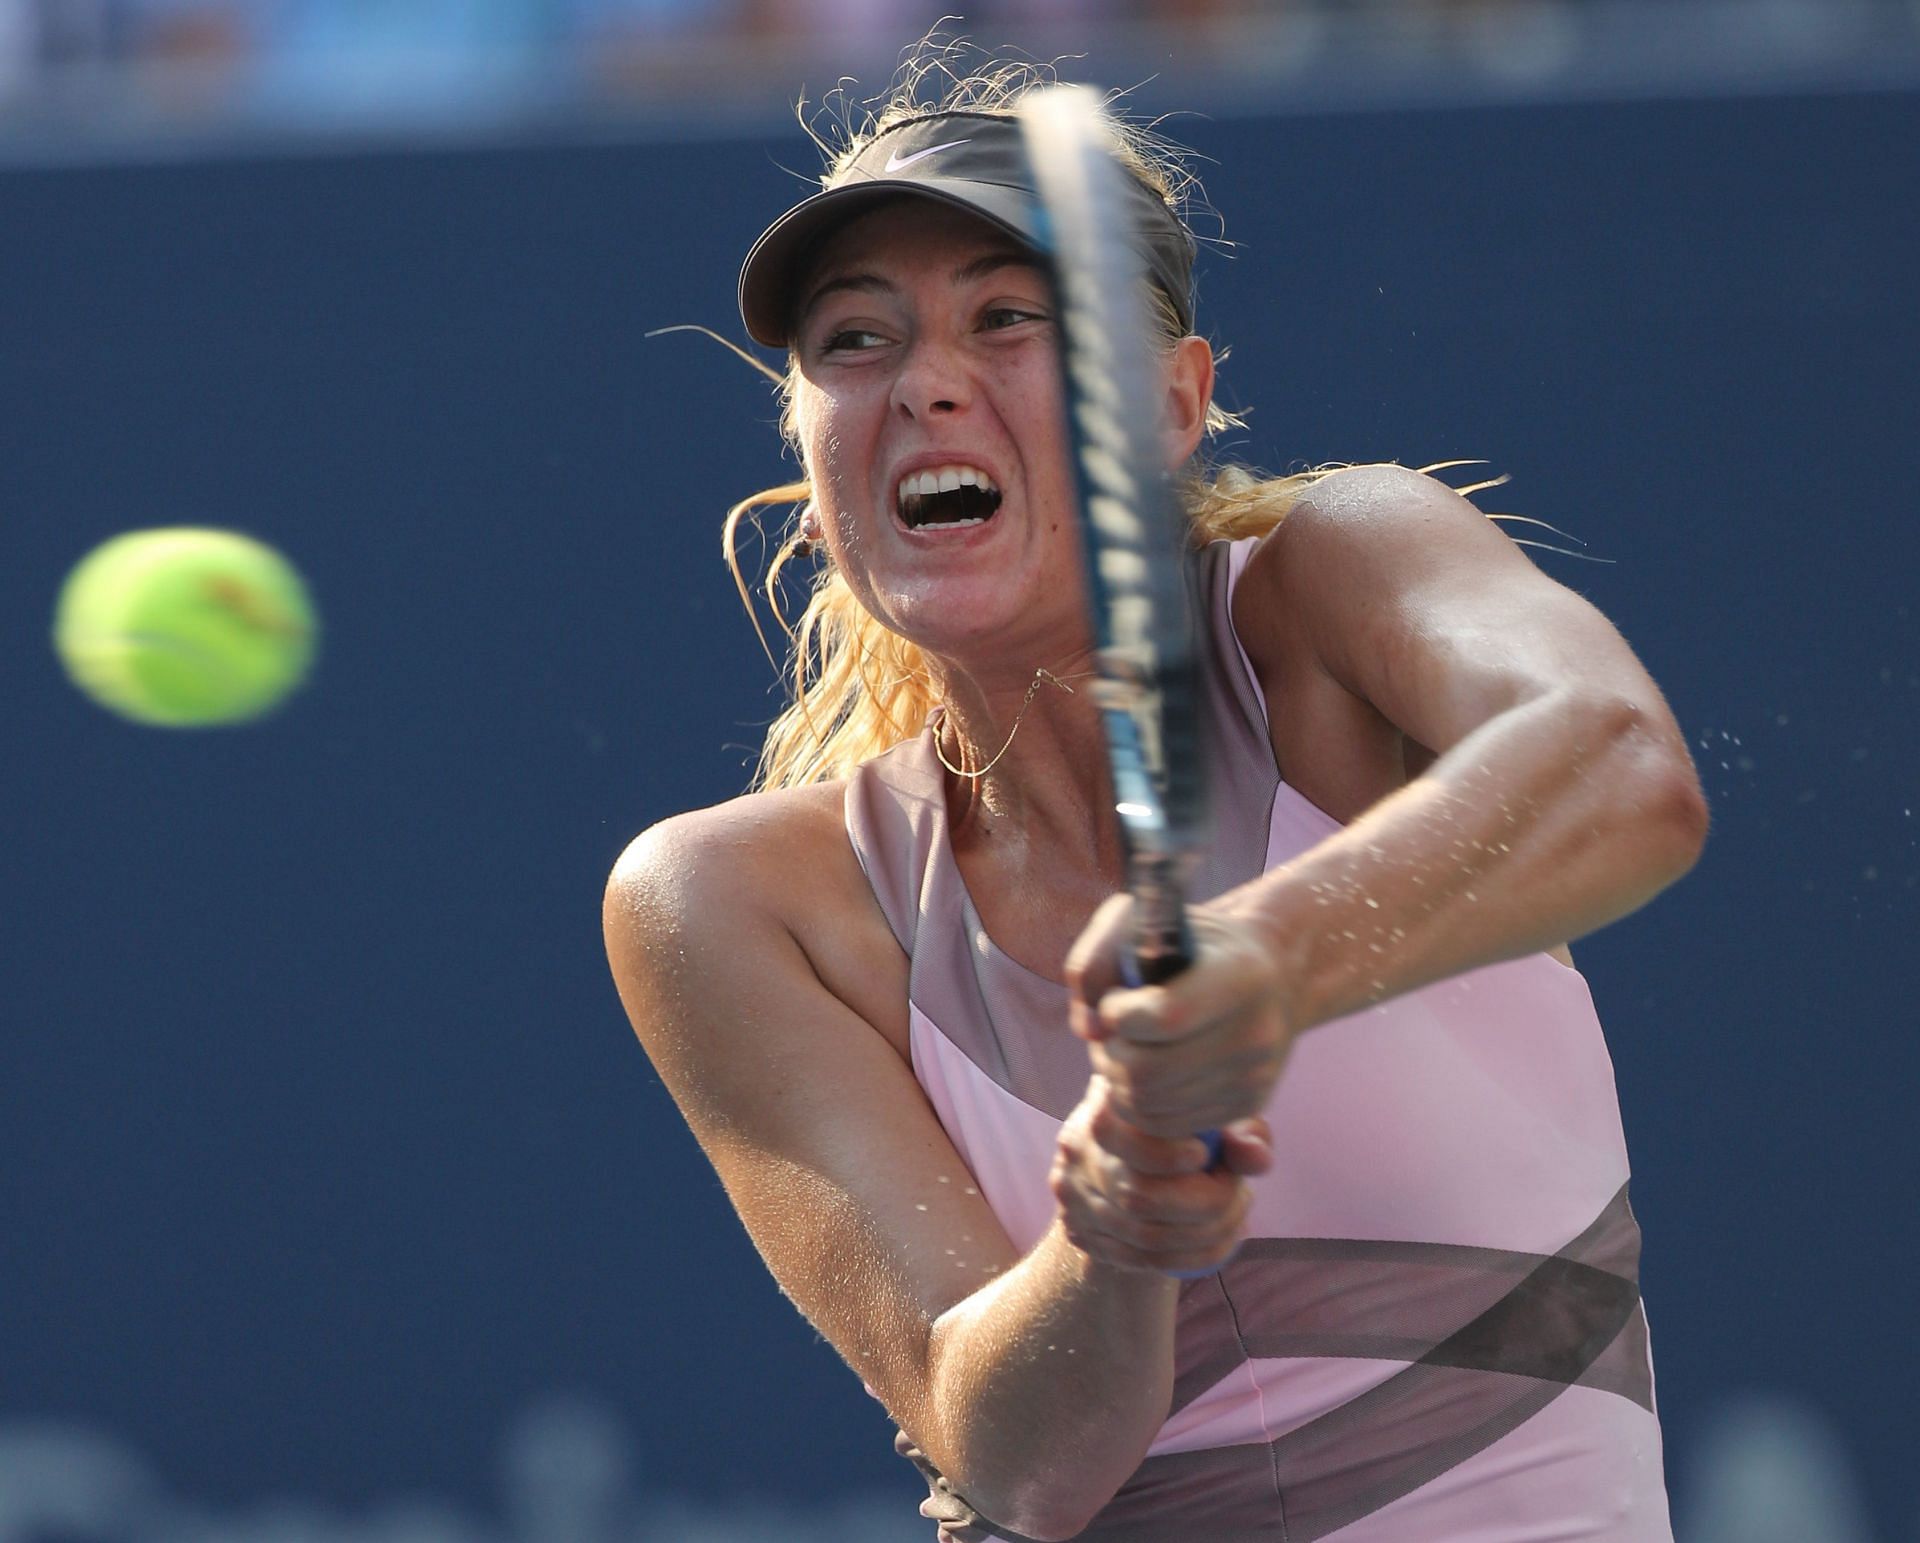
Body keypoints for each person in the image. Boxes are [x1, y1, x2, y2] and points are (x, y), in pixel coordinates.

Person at [603, 54, 1707, 1543]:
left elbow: (1626, 769)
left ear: (1177, 403)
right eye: (854, 341)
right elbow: (1016, 1462)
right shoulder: (731, 904)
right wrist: (1115, 1228)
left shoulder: (1338, 575)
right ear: (811, 460)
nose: (926, 379)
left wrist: (1261, 963)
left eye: (1010, 318)